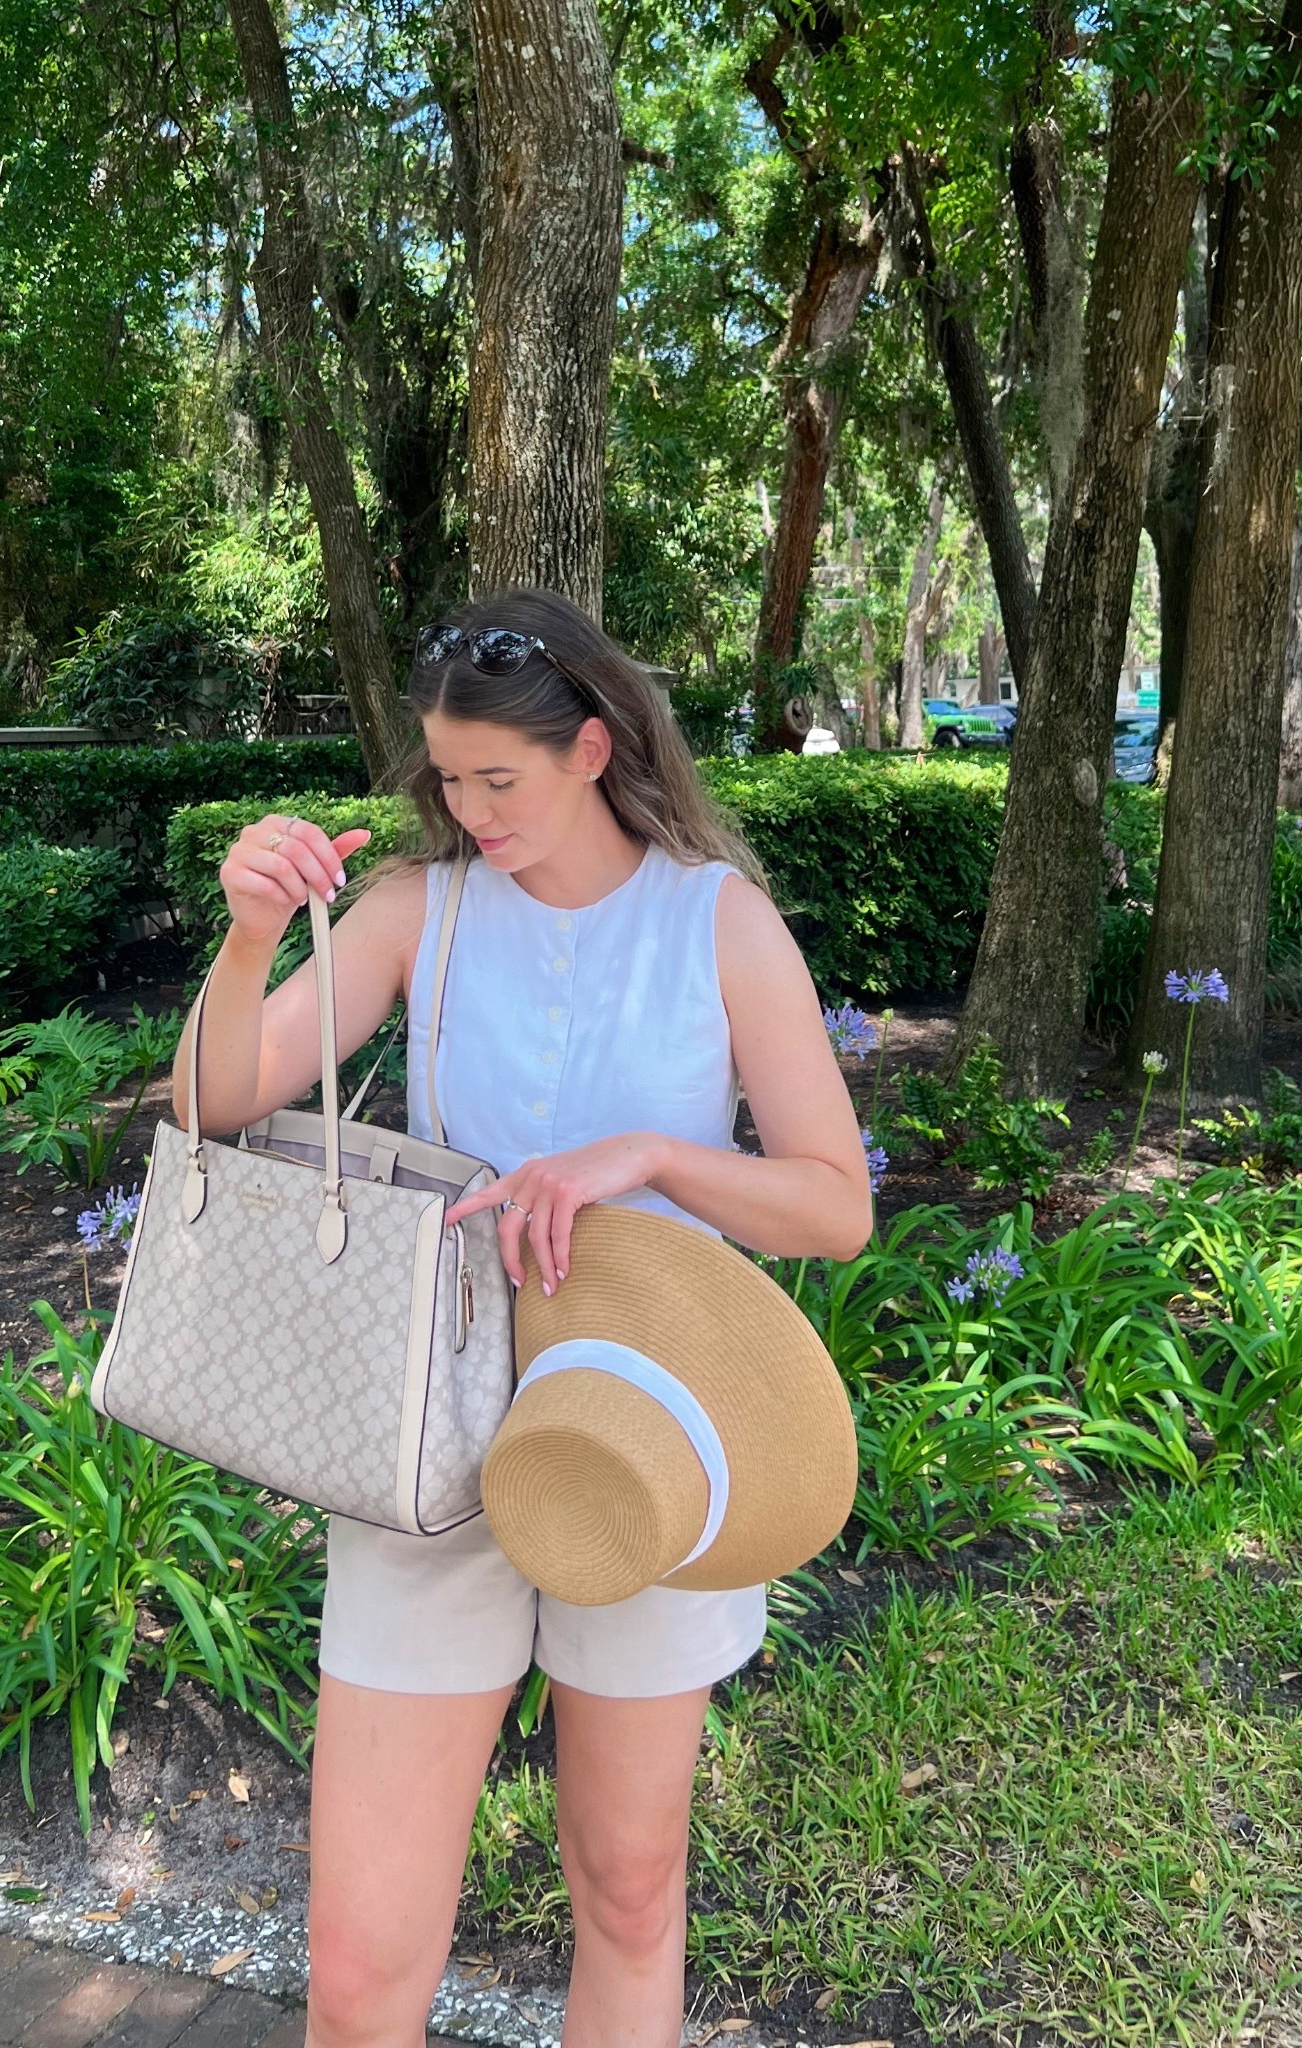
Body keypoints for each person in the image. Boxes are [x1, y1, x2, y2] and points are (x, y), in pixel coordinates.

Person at [170, 587, 873, 2048]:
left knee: (627, 1893)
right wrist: (246, 945)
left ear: (592, 750)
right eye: (447, 777)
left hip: (643, 1439)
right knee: (360, 1964)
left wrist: (660, 1158)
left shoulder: (716, 925)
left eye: (499, 779)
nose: (469, 808)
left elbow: (833, 1204)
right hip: (426, 1439)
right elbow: (214, 1102)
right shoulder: (417, 912)